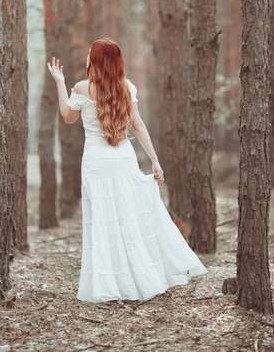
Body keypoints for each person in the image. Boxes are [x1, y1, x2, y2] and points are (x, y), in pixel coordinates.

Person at [48, 38, 208, 303]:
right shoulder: (127, 87)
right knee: (127, 218)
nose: (87, 57)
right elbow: (139, 126)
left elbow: (67, 115)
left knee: (102, 221)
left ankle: (109, 284)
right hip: (123, 158)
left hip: (96, 163)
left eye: (90, 54)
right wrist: (155, 161)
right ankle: (138, 279)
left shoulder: (82, 87)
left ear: (96, 60)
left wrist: (59, 81)